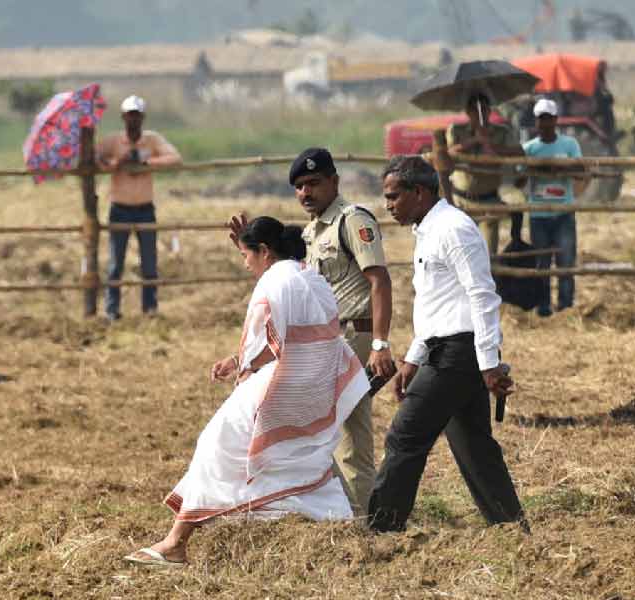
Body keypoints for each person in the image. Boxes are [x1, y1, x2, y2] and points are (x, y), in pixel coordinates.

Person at [124, 217, 369, 567]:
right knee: (297, 457)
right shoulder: (309, 276)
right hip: (316, 387)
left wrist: (244, 366)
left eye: (245, 255)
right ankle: (336, 523)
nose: (245, 264)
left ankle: (176, 542)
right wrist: (240, 360)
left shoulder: (274, 281)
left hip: (283, 385)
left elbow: (261, 340)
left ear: (264, 251)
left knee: (216, 445)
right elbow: (296, 336)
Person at [368, 155, 527, 533]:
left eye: (393, 196)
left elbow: (481, 295)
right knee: (474, 447)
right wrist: (413, 358)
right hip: (446, 350)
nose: (388, 205)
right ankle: (511, 530)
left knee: (404, 436)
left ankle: (381, 531)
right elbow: (438, 305)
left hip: (459, 353)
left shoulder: (454, 228)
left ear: (419, 192)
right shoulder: (428, 230)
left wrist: (488, 363)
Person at [231, 148, 394, 518]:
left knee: (341, 435)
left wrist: (380, 343)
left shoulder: (352, 221)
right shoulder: (312, 232)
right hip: (327, 341)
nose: (306, 192)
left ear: (334, 181)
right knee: (323, 431)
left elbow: (379, 281)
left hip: (354, 336)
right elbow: (293, 280)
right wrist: (252, 249)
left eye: (314, 183)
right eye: (300, 186)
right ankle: (353, 513)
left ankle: (363, 517)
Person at [97, 95, 182, 321]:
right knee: (116, 263)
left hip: (145, 208)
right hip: (119, 208)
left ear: (142, 118)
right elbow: (96, 159)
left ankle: (149, 309)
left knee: (149, 262)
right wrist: (117, 163)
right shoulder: (113, 142)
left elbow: (175, 158)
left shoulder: (151, 141)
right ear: (123, 117)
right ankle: (112, 310)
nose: (133, 120)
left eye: (136, 116)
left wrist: (147, 163)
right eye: (129, 116)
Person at [523, 98, 586, 317]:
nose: (545, 123)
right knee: (541, 265)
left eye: (548, 118)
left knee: (565, 263)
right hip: (538, 214)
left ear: (556, 120)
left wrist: (561, 169)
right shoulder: (529, 148)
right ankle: (543, 308)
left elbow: (581, 172)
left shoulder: (569, 145)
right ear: (536, 121)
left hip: (563, 213)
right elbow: (518, 180)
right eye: (541, 119)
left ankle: (566, 307)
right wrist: (532, 170)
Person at [446, 93, 524, 251]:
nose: (479, 113)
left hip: (489, 201)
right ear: (468, 112)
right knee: (461, 253)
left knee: (488, 253)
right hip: (461, 201)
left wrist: (491, 146)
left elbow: (519, 153)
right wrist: (474, 140)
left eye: (483, 109)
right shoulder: (456, 130)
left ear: (489, 111)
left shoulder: (501, 132)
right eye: (474, 110)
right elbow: (448, 154)